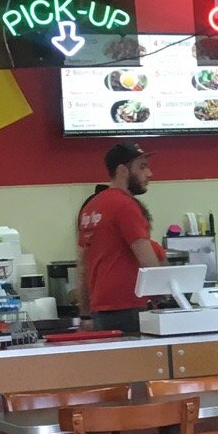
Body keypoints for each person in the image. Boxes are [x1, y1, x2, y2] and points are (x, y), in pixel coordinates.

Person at [77, 141, 164, 331]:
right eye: (142, 167)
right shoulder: (125, 206)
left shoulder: (90, 208)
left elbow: (83, 266)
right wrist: (166, 297)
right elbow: (147, 260)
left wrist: (85, 315)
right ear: (123, 170)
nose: (149, 173)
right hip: (131, 307)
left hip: (101, 312)